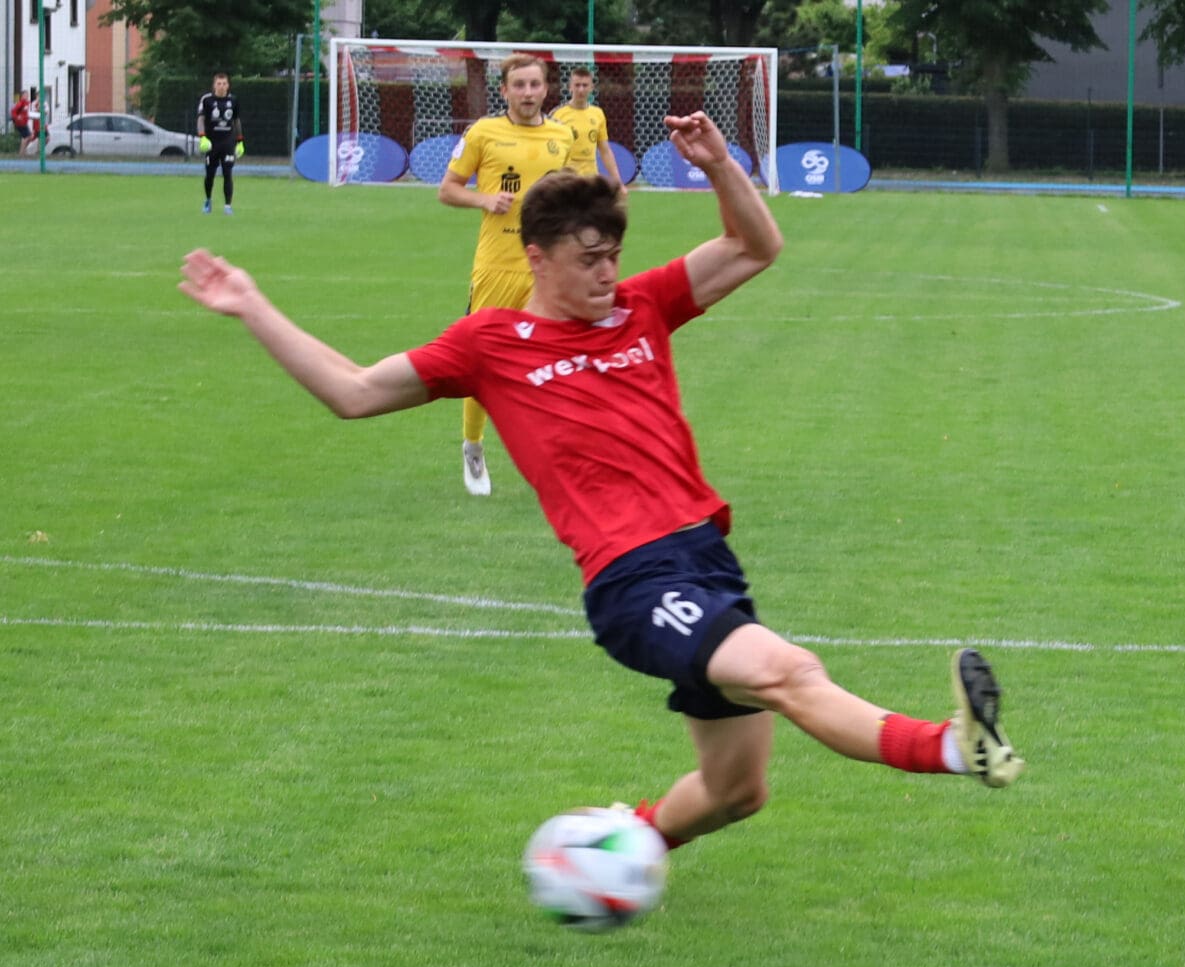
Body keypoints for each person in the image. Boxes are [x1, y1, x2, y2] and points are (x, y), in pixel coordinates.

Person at [177, 118, 1026, 871]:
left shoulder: (640, 307)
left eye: (614, 255)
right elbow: (354, 391)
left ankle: (619, 851)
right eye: (589, 260)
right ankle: (954, 747)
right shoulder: (489, 344)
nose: (607, 274)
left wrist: (723, 167)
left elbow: (755, 248)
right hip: (632, 580)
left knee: (736, 792)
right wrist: (252, 305)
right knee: (788, 669)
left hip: (705, 561)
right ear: (537, 257)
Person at [438, 54, 583, 496]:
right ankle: (473, 447)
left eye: (534, 85)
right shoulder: (483, 132)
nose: (527, 93)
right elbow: (447, 190)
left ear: (545, 89)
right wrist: (484, 200)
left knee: (558, 361)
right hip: (498, 266)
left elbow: (570, 194)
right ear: (504, 91)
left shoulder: (563, 135)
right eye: (518, 85)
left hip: (549, 268)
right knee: (482, 362)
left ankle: (557, 459)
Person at [551, 67, 627, 204]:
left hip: (590, 178)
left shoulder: (598, 114)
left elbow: (605, 151)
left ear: (591, 87)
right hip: (566, 178)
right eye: (577, 85)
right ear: (570, 87)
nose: (581, 89)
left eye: (585, 85)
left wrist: (618, 182)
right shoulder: (558, 115)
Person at [197, 73, 244, 215]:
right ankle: (208, 200)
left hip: (227, 142)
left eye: (224, 83)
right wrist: (202, 137)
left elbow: (236, 121)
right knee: (210, 174)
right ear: (214, 85)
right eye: (219, 83)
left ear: (228, 85)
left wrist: (240, 141)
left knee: (227, 173)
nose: (222, 86)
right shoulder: (207, 100)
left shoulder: (233, 100)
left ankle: (228, 206)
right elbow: (200, 119)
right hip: (212, 143)